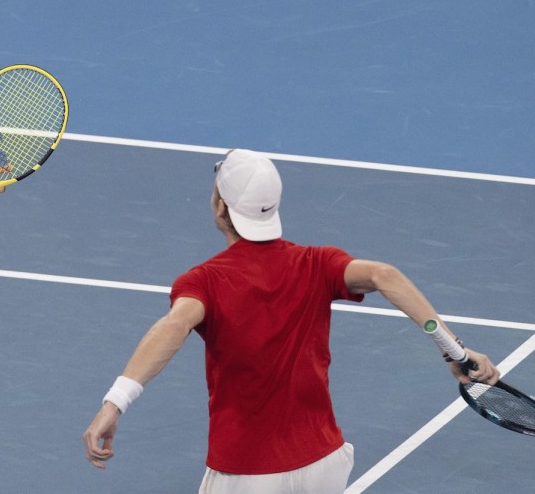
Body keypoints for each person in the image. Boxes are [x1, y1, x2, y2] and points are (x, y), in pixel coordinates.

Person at [81, 149, 500, 493]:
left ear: (220, 208)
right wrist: (453, 348)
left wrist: (115, 401)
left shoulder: (204, 281)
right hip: (324, 464)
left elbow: (173, 326)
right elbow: (383, 275)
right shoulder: (317, 264)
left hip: (246, 473)